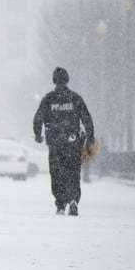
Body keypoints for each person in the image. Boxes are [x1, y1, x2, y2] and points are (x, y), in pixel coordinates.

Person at [33, 67, 95, 216]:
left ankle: (60, 204)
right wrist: (90, 137)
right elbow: (86, 118)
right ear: (67, 80)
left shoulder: (48, 99)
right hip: (73, 142)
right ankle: (73, 199)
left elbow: (38, 118)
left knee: (57, 174)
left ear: (54, 80)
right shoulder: (75, 98)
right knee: (73, 173)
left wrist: (38, 135)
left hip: (55, 144)